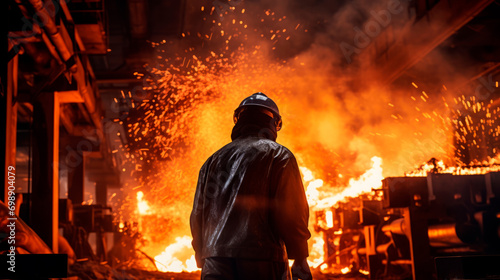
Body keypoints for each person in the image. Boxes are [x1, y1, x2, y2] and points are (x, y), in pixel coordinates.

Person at [190, 92, 312, 280]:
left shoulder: (212, 161)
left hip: (214, 260)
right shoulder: (279, 155)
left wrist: (203, 254)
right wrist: (300, 257)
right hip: (262, 258)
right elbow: (292, 211)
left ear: (239, 120)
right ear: (275, 123)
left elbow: (198, 213)